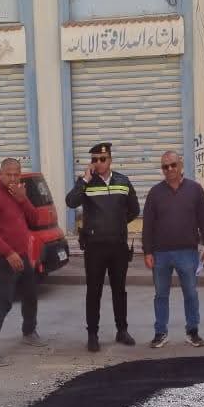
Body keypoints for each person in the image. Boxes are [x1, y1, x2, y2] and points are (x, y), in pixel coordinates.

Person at [66, 142, 139, 352]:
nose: (98, 163)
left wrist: (117, 224)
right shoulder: (86, 183)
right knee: (94, 291)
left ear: (110, 160)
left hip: (118, 246)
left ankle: (122, 330)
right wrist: (84, 180)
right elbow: (71, 202)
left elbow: (134, 210)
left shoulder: (123, 181)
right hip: (94, 247)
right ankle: (92, 334)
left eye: (102, 159)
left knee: (119, 291)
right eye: (94, 159)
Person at [0, 157, 46, 368]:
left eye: (17, 174)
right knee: (1, 303)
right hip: (2, 258)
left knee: (30, 294)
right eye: (9, 174)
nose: (13, 178)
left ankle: (29, 332)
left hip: (21, 255)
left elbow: (35, 219)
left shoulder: (18, 194)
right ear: (0, 174)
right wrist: (8, 253)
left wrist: (23, 199)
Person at [142, 150, 204, 348]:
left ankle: (192, 331)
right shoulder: (155, 193)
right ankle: (160, 332)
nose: (170, 169)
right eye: (165, 167)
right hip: (160, 254)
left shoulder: (195, 190)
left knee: (190, 293)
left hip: (188, 253)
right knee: (160, 295)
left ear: (181, 165)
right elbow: (148, 225)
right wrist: (147, 252)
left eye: (173, 165)